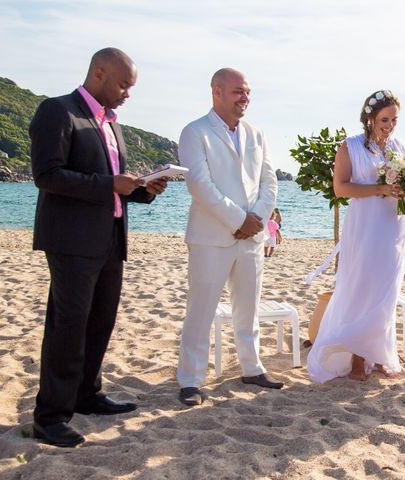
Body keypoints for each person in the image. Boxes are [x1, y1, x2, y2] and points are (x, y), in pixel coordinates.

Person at [29, 47, 168, 448]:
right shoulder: (58, 110)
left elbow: (114, 186)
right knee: (67, 326)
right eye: (124, 83)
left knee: (100, 320)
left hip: (110, 236)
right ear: (99, 72)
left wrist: (143, 189)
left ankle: (86, 396)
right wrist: (110, 184)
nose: (128, 92)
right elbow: (48, 175)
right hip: (71, 240)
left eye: (131, 86)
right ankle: (50, 416)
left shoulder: (112, 124)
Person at [176, 67, 281, 406]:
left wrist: (258, 219)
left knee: (247, 307)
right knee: (201, 309)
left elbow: (270, 182)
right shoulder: (195, 132)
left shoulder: (256, 133)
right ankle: (191, 380)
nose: (245, 98)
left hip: (251, 237)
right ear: (217, 91)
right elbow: (200, 186)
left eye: (248, 92)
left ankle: (252, 367)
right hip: (211, 236)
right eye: (238, 91)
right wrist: (238, 219)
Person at [307, 90, 405, 382]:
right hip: (365, 226)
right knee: (362, 287)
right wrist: (379, 189)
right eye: (384, 119)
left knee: (386, 291)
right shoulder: (351, 146)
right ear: (369, 117)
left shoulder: (398, 146)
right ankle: (357, 356)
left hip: (393, 226)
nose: (390, 125)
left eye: (394, 119)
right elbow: (341, 189)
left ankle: (379, 355)